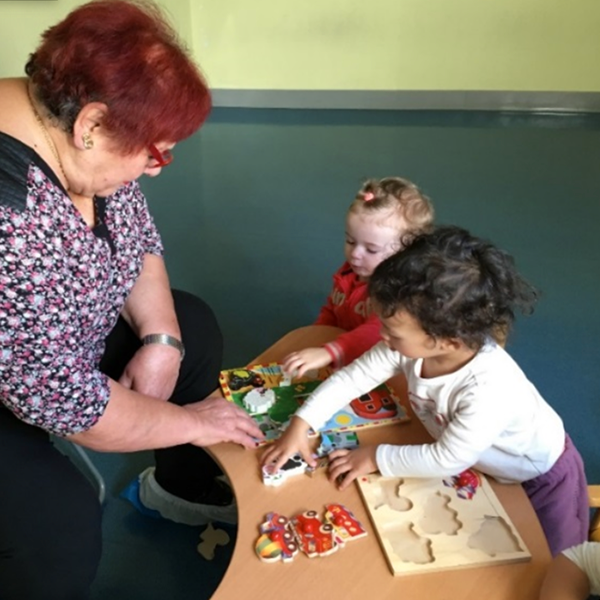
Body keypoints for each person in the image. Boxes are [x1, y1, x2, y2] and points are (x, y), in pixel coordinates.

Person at [0, 1, 263, 598]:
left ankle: (179, 492)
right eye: (157, 153)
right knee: (58, 534)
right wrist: (189, 423)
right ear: (91, 124)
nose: (156, 169)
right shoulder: (8, 218)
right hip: (24, 388)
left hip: (50, 350)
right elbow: (70, 404)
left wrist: (162, 340)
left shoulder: (72, 133)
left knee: (189, 323)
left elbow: (136, 239)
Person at [262, 225, 588, 558]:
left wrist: (376, 456)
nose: (382, 337)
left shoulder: (488, 389)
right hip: (480, 460)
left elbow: (447, 458)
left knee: (558, 564)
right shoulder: (409, 343)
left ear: (448, 341)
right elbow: (353, 378)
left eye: (391, 331)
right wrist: (302, 423)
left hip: (540, 475)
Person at [282, 177, 434, 377]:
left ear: (405, 253)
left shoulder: (398, 294)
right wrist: (315, 337)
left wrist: (329, 352)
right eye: (350, 241)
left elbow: (374, 332)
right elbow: (332, 310)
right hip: (344, 361)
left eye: (371, 249)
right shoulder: (349, 272)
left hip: (382, 372)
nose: (355, 254)